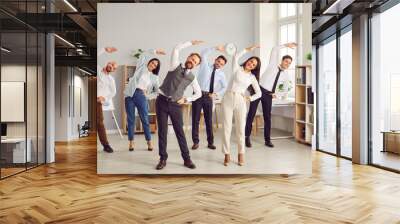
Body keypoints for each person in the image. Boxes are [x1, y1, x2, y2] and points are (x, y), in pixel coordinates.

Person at [155, 40, 203, 170]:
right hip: (161, 102)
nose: (192, 62)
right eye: (192, 59)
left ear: (196, 65)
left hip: (176, 105)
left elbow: (198, 93)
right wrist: (191, 43)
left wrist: (187, 99)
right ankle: (163, 159)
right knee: (162, 132)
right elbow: (176, 49)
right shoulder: (175, 65)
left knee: (180, 132)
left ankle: (187, 159)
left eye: (195, 62)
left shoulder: (192, 78)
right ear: (188, 57)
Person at [244, 43, 297, 148]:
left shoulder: (286, 75)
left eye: (289, 63)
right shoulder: (273, 64)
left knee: (267, 117)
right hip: (258, 90)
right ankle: (246, 137)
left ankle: (267, 140)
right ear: (282, 60)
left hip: (268, 95)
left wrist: (277, 94)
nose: (287, 64)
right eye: (286, 61)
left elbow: (288, 87)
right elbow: (274, 49)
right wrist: (286, 45)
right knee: (251, 114)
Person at [221, 45, 262, 166]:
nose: (251, 64)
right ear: (247, 61)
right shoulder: (236, 68)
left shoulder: (252, 77)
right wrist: (248, 49)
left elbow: (259, 93)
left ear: (255, 68)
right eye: (251, 61)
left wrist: (249, 97)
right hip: (228, 98)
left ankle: (241, 154)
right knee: (226, 128)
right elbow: (236, 56)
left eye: (254, 65)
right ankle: (226, 153)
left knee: (240, 128)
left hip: (240, 100)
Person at [124, 49, 166, 152]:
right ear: (149, 62)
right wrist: (155, 51)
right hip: (130, 95)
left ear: (156, 68)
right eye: (152, 62)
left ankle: (149, 141)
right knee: (130, 120)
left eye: (155, 65)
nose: (153, 65)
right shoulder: (141, 67)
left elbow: (156, 92)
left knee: (145, 120)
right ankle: (131, 142)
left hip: (140, 96)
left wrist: (147, 96)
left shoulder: (154, 77)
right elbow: (143, 54)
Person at [191, 45, 227, 150]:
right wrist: (215, 48)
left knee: (209, 120)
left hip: (208, 97)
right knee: (195, 120)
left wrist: (216, 94)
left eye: (221, 64)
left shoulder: (221, 74)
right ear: (215, 60)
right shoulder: (205, 65)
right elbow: (203, 53)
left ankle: (210, 142)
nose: (219, 64)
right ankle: (195, 142)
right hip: (197, 94)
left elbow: (225, 87)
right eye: (218, 61)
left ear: (223, 66)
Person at [97, 47, 118, 153]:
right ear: (107, 64)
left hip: (97, 102)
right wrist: (105, 49)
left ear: (114, 70)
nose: (111, 66)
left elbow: (113, 92)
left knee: (100, 123)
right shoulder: (97, 69)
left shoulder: (111, 80)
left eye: (113, 67)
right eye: (111, 64)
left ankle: (106, 145)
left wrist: (104, 97)